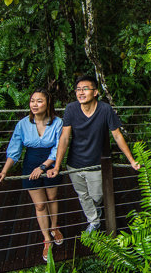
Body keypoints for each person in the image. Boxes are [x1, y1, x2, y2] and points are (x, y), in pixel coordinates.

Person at [47, 75, 140, 234]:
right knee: (83, 196)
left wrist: (131, 160)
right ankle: (94, 222)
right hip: (74, 163)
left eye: (85, 89)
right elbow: (64, 138)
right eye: (78, 89)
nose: (80, 92)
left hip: (96, 164)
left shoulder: (105, 110)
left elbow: (117, 135)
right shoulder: (71, 109)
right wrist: (57, 166)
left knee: (97, 196)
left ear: (95, 92)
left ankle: (95, 213)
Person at [0, 88, 63, 262]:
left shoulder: (58, 122)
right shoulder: (23, 124)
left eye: (39, 101)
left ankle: (54, 227)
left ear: (48, 104)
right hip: (30, 165)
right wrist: (4, 171)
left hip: (50, 163)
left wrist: (43, 166)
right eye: (32, 101)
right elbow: (14, 150)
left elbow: (58, 148)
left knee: (52, 197)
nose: (34, 104)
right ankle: (46, 239)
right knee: (39, 205)